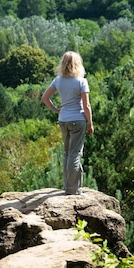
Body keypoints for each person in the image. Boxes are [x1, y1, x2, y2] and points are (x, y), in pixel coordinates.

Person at [41, 51, 94, 195]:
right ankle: (73, 190)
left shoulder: (58, 80)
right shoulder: (81, 81)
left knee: (67, 153)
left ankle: (68, 186)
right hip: (78, 119)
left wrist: (56, 110)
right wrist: (90, 123)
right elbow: (86, 105)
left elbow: (45, 98)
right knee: (75, 154)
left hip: (63, 119)